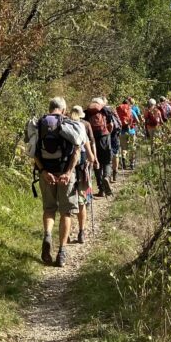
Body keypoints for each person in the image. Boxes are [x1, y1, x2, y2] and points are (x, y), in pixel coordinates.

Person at [27, 96, 83, 267]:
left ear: (49, 108)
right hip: (65, 174)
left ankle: (47, 235)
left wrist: (43, 171)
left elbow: (33, 151)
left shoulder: (39, 124)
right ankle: (62, 252)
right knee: (66, 212)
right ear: (64, 110)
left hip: (46, 173)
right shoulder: (70, 124)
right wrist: (68, 172)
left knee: (49, 208)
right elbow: (76, 151)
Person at [70, 105, 97, 244]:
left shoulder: (65, 125)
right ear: (81, 115)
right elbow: (91, 155)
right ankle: (81, 233)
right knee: (82, 202)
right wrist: (93, 159)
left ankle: (67, 233)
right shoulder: (84, 125)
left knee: (67, 202)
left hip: (67, 171)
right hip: (82, 170)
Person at [85, 97, 114, 196]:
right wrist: (108, 133)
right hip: (104, 137)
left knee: (96, 162)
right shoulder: (105, 110)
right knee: (106, 161)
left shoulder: (87, 112)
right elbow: (111, 125)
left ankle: (101, 189)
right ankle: (106, 176)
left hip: (92, 139)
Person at [116, 97, 138, 171]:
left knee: (123, 147)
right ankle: (132, 164)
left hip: (121, 131)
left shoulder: (118, 111)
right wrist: (134, 125)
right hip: (131, 131)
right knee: (132, 147)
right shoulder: (131, 110)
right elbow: (137, 120)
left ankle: (123, 161)